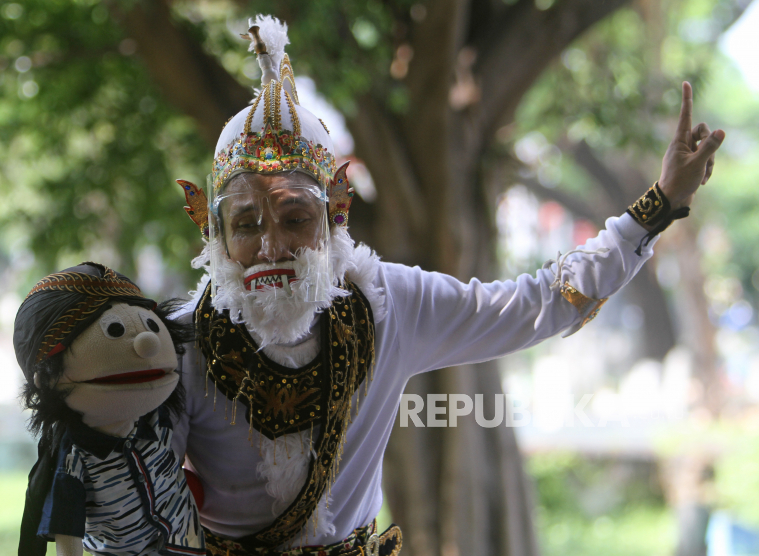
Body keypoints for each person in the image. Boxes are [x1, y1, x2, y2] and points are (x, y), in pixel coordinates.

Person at [170, 15, 724, 556]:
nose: (270, 246)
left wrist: (656, 207)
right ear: (213, 233)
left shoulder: (387, 303)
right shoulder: (177, 345)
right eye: (245, 224)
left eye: (295, 219)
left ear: (335, 217)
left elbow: (538, 303)